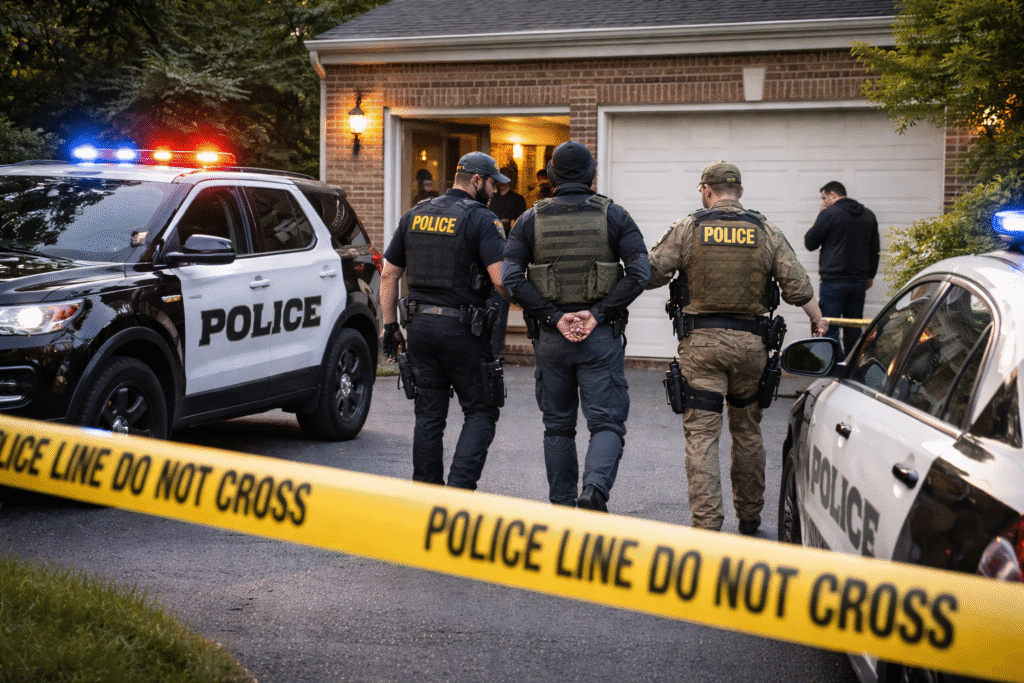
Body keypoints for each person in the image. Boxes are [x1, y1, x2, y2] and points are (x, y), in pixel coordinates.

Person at [647, 161, 828, 534]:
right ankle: (750, 517)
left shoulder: (688, 228)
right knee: (747, 432)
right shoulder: (766, 231)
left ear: (707, 191)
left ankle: (708, 526)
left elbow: (651, 273)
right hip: (752, 348)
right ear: (740, 193)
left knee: (702, 435)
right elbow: (798, 287)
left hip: (702, 347)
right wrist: (819, 319)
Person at [502, 141, 650, 512]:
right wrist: (597, 314)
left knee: (557, 427)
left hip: (552, 339)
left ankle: (562, 507)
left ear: (551, 176)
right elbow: (639, 273)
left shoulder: (529, 219)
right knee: (607, 423)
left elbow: (511, 280)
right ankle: (594, 491)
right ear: (591, 175)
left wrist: (554, 317)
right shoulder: (614, 215)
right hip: (598, 337)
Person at [380, 152, 511, 490]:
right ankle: (459, 492)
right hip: (464, 330)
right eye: (493, 183)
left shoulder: (414, 214)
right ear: (477, 181)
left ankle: (426, 493)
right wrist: (540, 309)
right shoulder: (483, 220)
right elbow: (500, 280)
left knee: (428, 415)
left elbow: (389, 274)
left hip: (419, 329)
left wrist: (389, 325)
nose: (496, 191)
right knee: (482, 410)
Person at [804, 180, 880, 356]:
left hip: (833, 281)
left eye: (824, 198)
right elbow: (874, 249)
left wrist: (820, 216)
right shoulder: (868, 215)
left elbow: (810, 242)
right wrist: (870, 276)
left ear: (833, 195)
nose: (823, 202)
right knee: (853, 328)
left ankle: (835, 367)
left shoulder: (829, 213)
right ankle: (851, 368)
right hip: (858, 282)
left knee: (829, 327)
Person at [486, 167, 527, 355]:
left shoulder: (518, 200)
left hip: (509, 251)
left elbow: (519, 225)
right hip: (489, 251)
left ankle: (497, 347)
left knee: (500, 300)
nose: (499, 187)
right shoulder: (491, 199)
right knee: (491, 302)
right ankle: (489, 346)